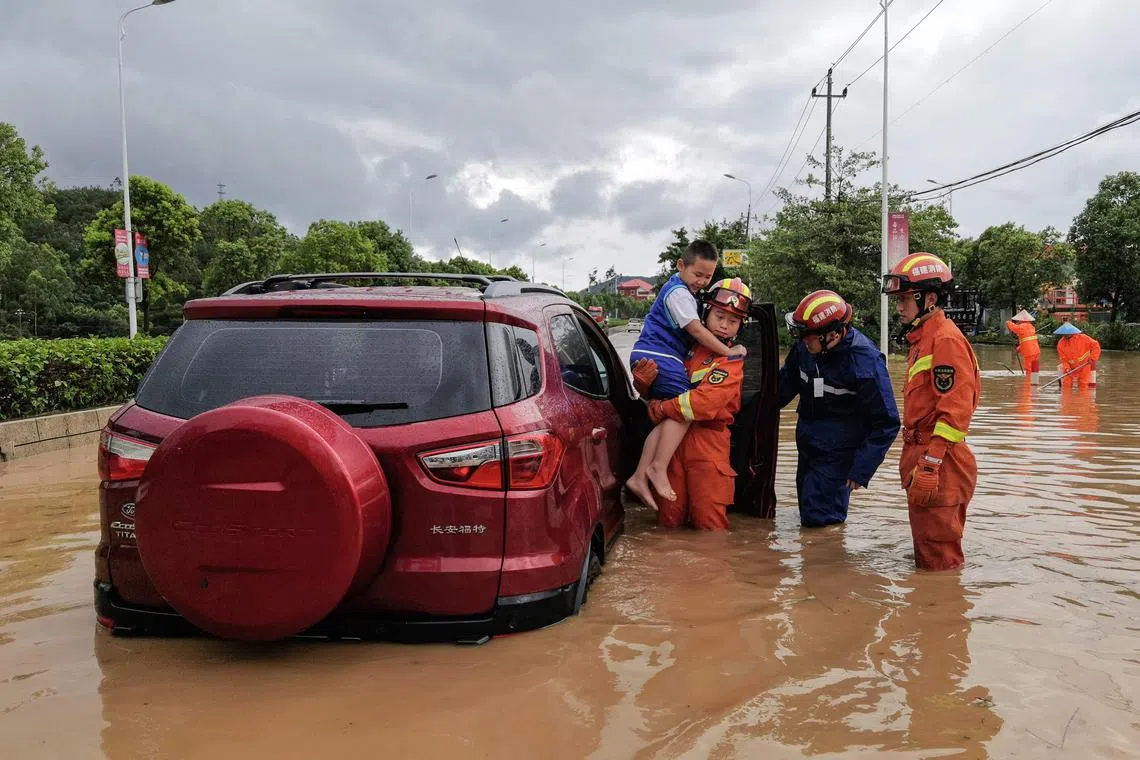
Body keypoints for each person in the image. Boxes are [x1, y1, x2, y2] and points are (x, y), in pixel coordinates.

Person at [626, 240, 746, 509]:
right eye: (719, 316)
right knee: (669, 521)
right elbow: (694, 332)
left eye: (733, 320)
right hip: (675, 451)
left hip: (707, 447)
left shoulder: (729, 360)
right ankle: (652, 470)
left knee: (709, 522)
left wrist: (659, 407)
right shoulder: (691, 342)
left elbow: (699, 404)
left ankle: (644, 473)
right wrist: (645, 391)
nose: (724, 325)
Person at [882, 252, 981, 572]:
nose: (899, 306)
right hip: (924, 458)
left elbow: (955, 413)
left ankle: (941, 618)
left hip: (940, 464)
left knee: (941, 565)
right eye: (897, 299)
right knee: (927, 554)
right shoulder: (923, 340)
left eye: (905, 299)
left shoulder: (945, 340)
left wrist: (931, 466)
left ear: (931, 298)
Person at [778, 290, 900, 527]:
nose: (801, 340)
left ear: (831, 335)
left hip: (838, 454)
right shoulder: (806, 348)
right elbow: (782, 387)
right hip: (808, 445)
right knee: (807, 508)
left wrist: (861, 469)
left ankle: (828, 559)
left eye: (806, 336)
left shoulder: (864, 362)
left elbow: (886, 422)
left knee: (820, 521)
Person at [1053, 322, 1101, 389]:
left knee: (1083, 385)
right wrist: (1067, 368)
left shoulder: (1084, 338)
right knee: (1066, 385)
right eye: (1064, 333)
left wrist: (1093, 358)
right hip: (1069, 367)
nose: (1065, 335)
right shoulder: (1061, 343)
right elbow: (1063, 359)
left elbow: (1096, 346)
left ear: (1072, 332)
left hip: (1084, 365)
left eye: (1067, 333)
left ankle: (1082, 399)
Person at [1005, 309, 1041, 384]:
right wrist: (1020, 348)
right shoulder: (1030, 326)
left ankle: (1028, 384)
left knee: (1028, 368)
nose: (1017, 321)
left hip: (1029, 351)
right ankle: (1034, 382)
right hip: (1035, 350)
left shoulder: (1023, 326)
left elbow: (1015, 329)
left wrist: (1009, 323)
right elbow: (1026, 339)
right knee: (1034, 368)